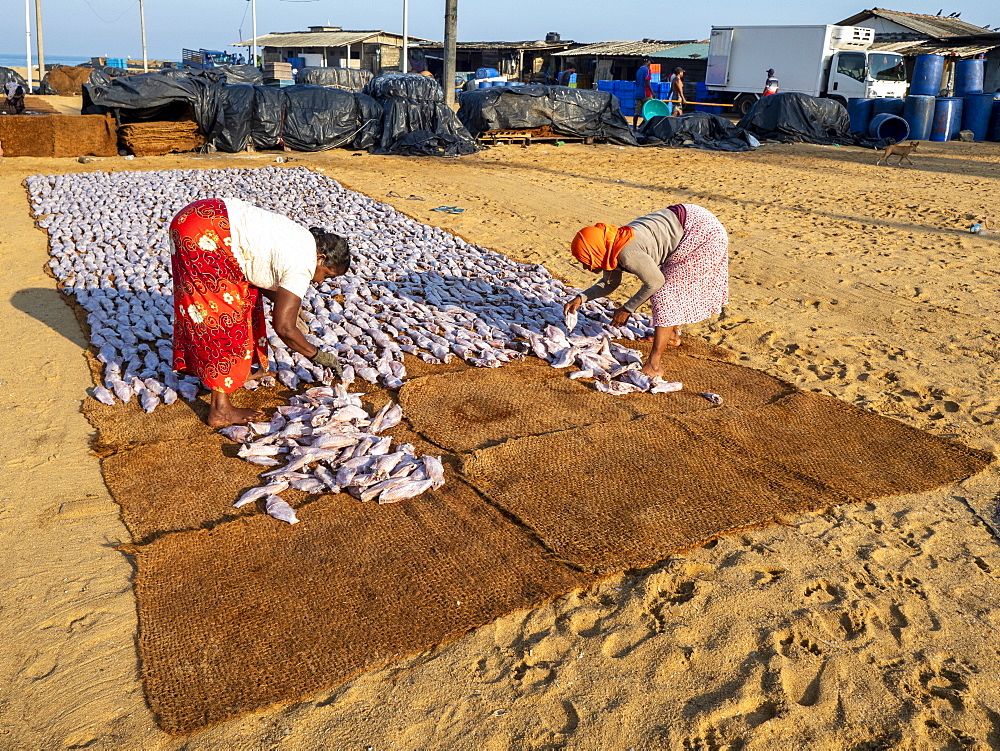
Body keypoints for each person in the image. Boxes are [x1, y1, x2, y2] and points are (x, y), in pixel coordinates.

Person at [169, 197, 349, 426]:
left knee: (244, 301)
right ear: (321, 258)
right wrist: (319, 356)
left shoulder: (302, 239)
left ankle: (232, 373)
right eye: (327, 275)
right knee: (224, 317)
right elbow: (284, 328)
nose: (322, 282)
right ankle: (220, 409)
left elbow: (260, 277)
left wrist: (291, 307)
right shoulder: (303, 263)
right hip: (207, 231)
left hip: (200, 216)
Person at [563, 204, 729, 378]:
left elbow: (655, 282)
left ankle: (654, 365)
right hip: (687, 220)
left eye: (585, 259)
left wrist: (627, 309)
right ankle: (671, 335)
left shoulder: (626, 253)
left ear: (596, 252)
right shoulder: (610, 246)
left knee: (664, 295)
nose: (585, 266)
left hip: (702, 233)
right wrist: (581, 298)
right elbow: (609, 283)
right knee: (669, 287)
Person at [633, 58, 654, 127]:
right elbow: (647, 81)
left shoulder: (639, 70)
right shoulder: (647, 69)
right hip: (646, 93)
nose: (650, 64)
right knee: (649, 110)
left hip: (638, 94)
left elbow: (636, 82)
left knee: (637, 112)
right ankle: (643, 126)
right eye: (650, 62)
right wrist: (652, 92)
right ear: (647, 61)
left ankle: (634, 127)